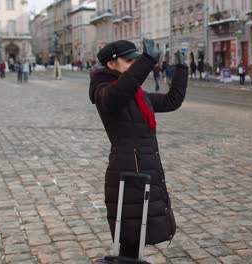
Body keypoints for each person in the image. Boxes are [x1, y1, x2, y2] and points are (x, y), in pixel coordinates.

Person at [89, 39, 188, 258]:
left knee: (137, 234)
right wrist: (147, 61)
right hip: (128, 171)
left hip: (145, 167)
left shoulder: (138, 95)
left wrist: (181, 69)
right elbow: (117, 95)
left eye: (136, 60)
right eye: (129, 61)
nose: (134, 65)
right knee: (130, 234)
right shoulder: (103, 90)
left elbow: (172, 101)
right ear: (111, 64)